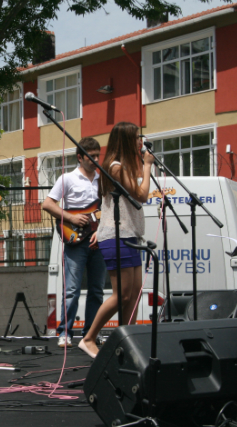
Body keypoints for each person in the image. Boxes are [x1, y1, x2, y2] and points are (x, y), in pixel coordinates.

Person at [78, 122, 154, 358]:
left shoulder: (128, 166)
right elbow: (142, 195)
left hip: (131, 234)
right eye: (137, 137)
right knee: (121, 295)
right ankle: (88, 338)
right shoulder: (115, 166)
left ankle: (127, 337)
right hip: (116, 235)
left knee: (135, 292)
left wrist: (143, 165)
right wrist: (148, 166)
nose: (141, 142)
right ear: (126, 140)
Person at [42, 138, 106, 348]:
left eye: (98, 155)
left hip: (99, 239)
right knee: (72, 289)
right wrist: (70, 218)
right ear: (80, 157)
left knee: (97, 290)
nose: (96, 159)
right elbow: (47, 204)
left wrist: (103, 229)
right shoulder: (67, 179)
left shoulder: (103, 179)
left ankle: (91, 334)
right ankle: (65, 332)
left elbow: (106, 208)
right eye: (91, 156)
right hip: (76, 239)